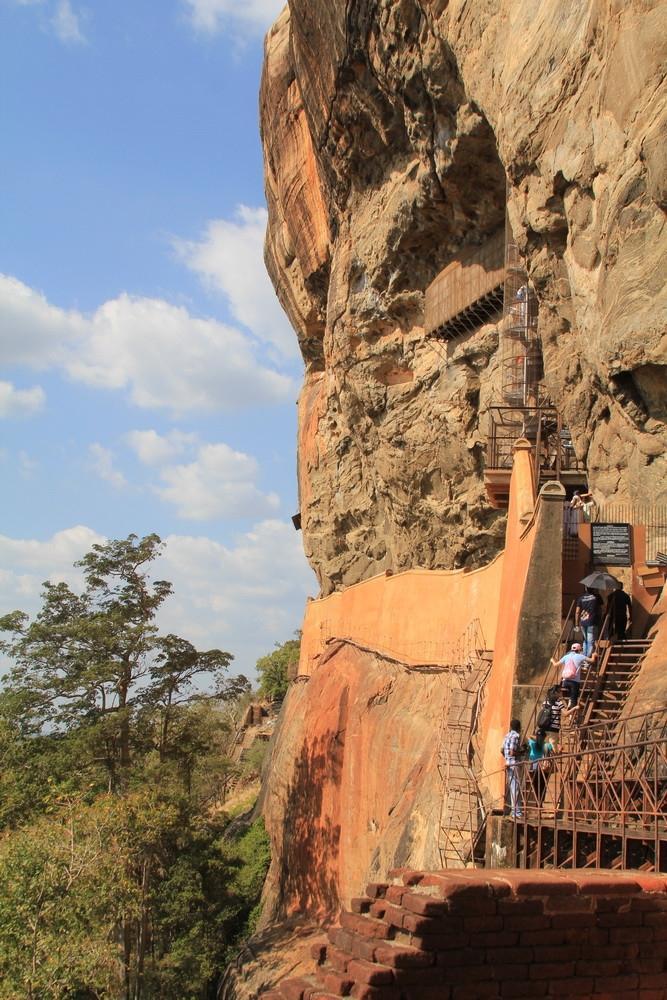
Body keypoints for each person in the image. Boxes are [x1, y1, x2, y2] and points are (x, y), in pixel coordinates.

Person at [551, 642, 597, 708]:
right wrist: (594, 655)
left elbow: (555, 665)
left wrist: (552, 660)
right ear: (579, 650)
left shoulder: (566, 656)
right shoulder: (580, 656)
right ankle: (571, 715)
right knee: (574, 699)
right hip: (574, 682)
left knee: (571, 697)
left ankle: (569, 706)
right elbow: (592, 660)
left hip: (565, 681)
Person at [502, 718, 524, 819]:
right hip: (514, 764)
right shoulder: (515, 736)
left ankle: (514, 810)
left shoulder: (507, 736)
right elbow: (512, 752)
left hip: (508, 764)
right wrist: (521, 752)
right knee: (516, 788)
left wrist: (506, 759)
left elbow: (502, 750)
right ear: (518, 727)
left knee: (512, 788)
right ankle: (517, 812)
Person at [527, 730, 554, 805]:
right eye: (539, 737)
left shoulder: (534, 744)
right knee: (540, 785)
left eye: (540, 737)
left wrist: (534, 737)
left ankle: (539, 802)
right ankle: (539, 802)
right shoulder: (546, 745)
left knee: (539, 785)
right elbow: (554, 751)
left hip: (540, 768)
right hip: (540, 768)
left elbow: (528, 736)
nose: (540, 738)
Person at [575, 586, 603, 657]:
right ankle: (587, 659)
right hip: (592, 622)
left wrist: (576, 624)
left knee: (585, 641)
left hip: (583, 622)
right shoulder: (597, 596)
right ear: (593, 588)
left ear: (585, 588)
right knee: (591, 641)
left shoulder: (581, 598)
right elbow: (601, 609)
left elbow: (577, 612)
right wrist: (600, 618)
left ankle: (584, 658)